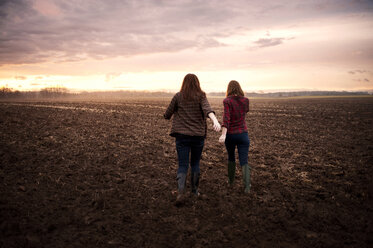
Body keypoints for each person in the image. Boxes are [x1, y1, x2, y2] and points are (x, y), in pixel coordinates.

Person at [164, 73, 221, 203]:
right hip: (197, 136)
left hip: (182, 136)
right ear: (197, 83)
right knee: (195, 163)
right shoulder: (201, 96)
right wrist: (215, 121)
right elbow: (208, 110)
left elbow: (168, 113)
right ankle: (195, 191)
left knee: (183, 164)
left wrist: (167, 115)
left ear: (184, 83)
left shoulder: (178, 96)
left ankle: (180, 193)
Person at [219, 80, 251, 193]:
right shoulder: (246, 100)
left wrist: (223, 134)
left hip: (231, 135)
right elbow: (245, 111)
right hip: (243, 134)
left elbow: (226, 118)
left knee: (231, 157)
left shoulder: (227, 101)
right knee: (244, 160)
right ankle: (247, 186)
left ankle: (231, 181)